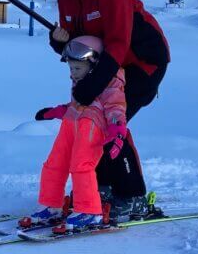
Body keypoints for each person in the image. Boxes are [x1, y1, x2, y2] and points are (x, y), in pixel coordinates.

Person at [39, 0, 170, 219]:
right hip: (107, 67)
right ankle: (103, 188)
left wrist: (94, 84)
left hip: (142, 65)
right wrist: (59, 42)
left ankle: (133, 195)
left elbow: (118, 45)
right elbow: (81, 47)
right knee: (90, 124)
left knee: (109, 125)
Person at [21, 36, 129, 234]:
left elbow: (115, 106)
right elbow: (77, 104)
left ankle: (89, 211)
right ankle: (51, 205)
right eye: (70, 68)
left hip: (92, 126)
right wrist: (57, 111)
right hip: (72, 123)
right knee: (54, 163)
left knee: (81, 166)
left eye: (77, 68)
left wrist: (117, 128)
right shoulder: (80, 78)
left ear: (94, 64)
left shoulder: (110, 81)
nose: (72, 73)